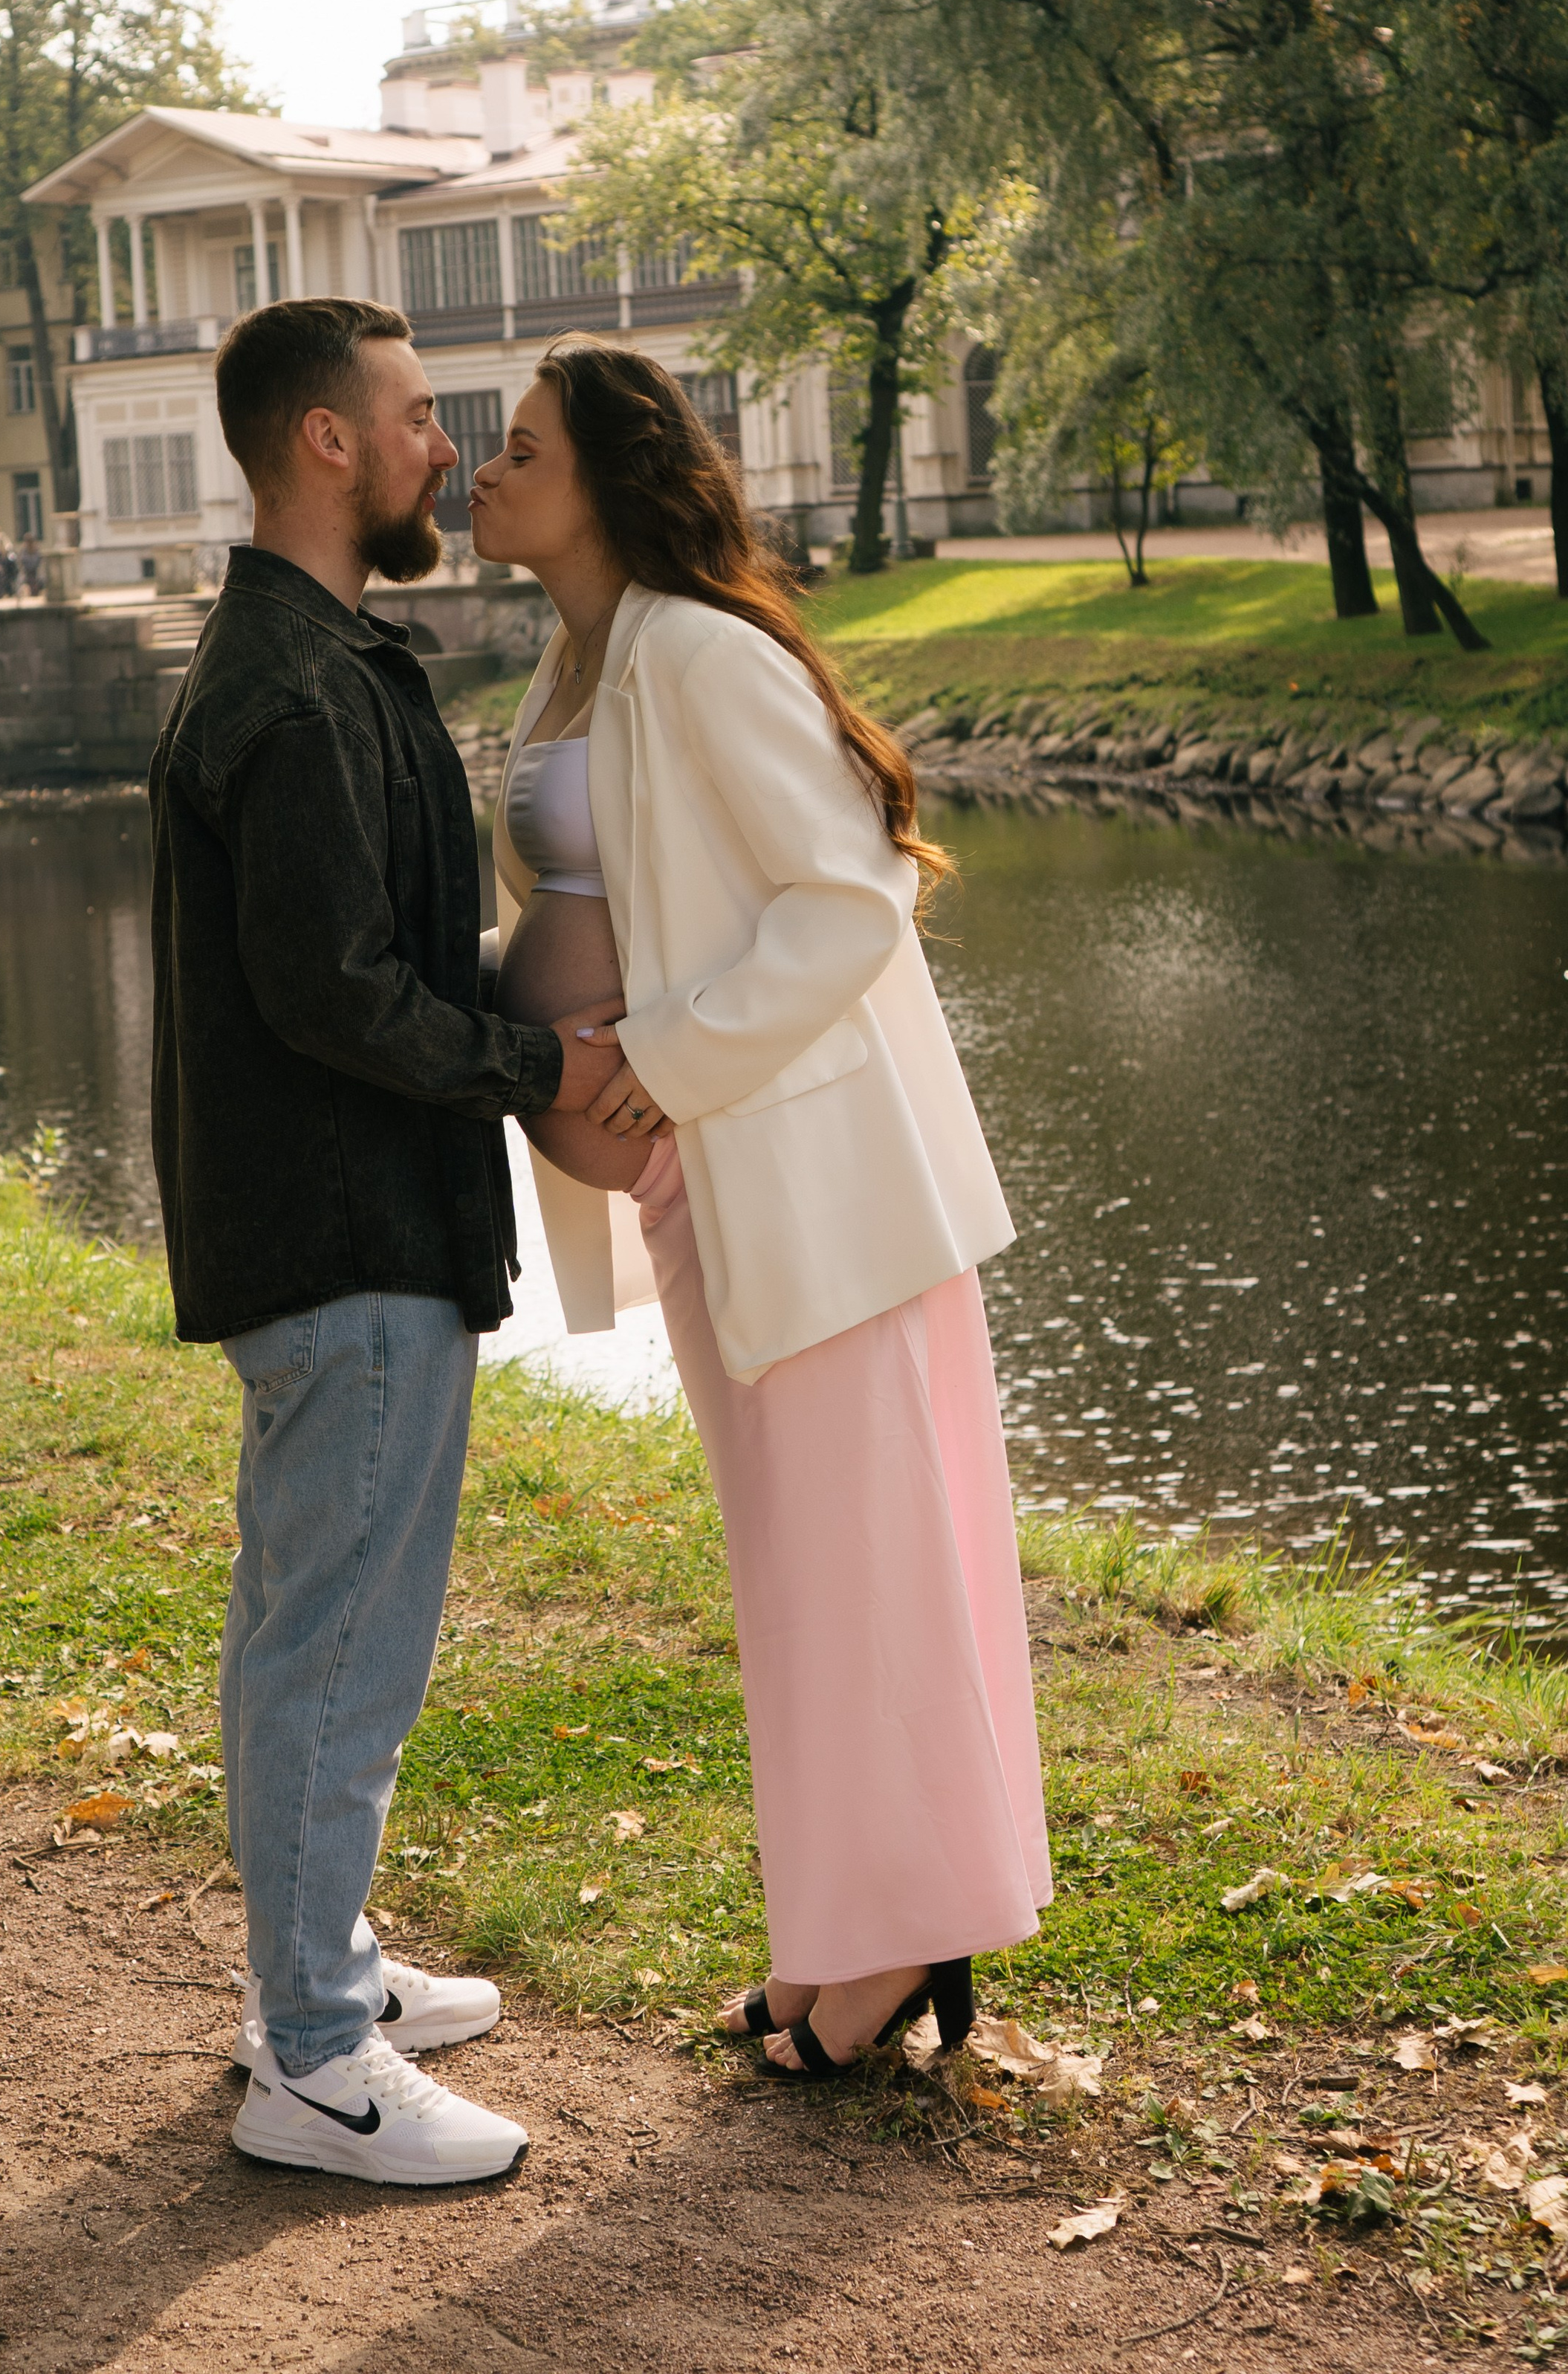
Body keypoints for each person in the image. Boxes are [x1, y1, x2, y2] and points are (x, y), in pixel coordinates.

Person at [470, 340, 1052, 2081]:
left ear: (603, 478)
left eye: (519, 450)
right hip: (699, 1181)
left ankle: (900, 1940)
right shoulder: (577, 662)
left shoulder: (700, 651)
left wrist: (664, 1054)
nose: (484, 473)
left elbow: (848, 893)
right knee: (798, 1577)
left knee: (864, 1568)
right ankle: (834, 1934)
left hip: (808, 1179)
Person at [149, 297, 620, 2184]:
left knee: (308, 1628)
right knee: (336, 1649)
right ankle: (316, 2060)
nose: (447, 449)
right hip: (343, 1238)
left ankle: (311, 1975)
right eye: (421, 416)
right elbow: (335, 992)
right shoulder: (286, 687)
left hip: (346, 1228)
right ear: (327, 441)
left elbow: (378, 955)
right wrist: (543, 1064)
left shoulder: (317, 656)